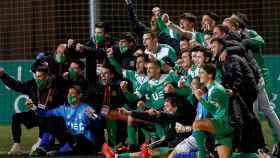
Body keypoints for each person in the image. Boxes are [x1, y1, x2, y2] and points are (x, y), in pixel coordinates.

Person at [0, 65, 65, 155]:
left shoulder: (55, 89)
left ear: (47, 77)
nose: (37, 79)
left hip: (49, 120)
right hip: (35, 115)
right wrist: (3, 75)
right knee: (16, 117)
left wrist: (33, 106)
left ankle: (42, 142)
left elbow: (48, 112)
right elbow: (17, 85)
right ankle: (16, 145)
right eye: (36, 76)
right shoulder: (32, 84)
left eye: (39, 76)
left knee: (47, 124)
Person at [30, 86, 104, 156]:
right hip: (71, 139)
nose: (69, 95)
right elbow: (46, 113)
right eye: (68, 93)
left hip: (85, 141)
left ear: (79, 96)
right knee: (52, 123)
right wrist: (33, 107)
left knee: (78, 136)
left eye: (72, 93)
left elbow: (99, 122)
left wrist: (99, 144)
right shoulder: (64, 109)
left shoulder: (86, 109)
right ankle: (42, 148)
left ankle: (59, 152)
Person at [192, 63, 233, 158]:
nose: (199, 75)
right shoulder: (212, 88)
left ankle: (202, 154)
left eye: (202, 73)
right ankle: (259, 156)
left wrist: (200, 98)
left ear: (210, 75)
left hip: (222, 124)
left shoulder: (215, 89)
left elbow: (213, 109)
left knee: (197, 124)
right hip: (222, 129)